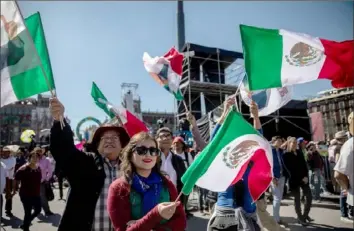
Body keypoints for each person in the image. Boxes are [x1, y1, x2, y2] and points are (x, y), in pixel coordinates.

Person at [49, 97, 130, 231]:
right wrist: (59, 121)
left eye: (115, 137)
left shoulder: (130, 169)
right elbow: (63, 149)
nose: (109, 140)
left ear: (122, 145)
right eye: (104, 138)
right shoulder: (86, 162)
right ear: (97, 146)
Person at [107, 132, 187, 230]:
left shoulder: (167, 183)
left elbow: (181, 221)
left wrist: (143, 225)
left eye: (153, 150)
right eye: (141, 150)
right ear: (130, 154)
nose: (148, 154)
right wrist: (156, 214)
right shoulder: (118, 187)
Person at [155, 127, 187, 216]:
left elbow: (183, 182)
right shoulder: (150, 158)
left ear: (172, 139)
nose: (165, 138)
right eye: (162, 136)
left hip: (174, 200)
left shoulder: (178, 160)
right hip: (154, 201)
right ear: (156, 139)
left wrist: (182, 203)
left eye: (168, 136)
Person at [283, 137, 312, 226]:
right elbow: (290, 170)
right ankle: (300, 217)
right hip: (294, 180)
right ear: (289, 143)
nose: (295, 144)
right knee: (297, 200)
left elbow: (304, 165)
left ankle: (305, 215)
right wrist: (301, 178)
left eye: (296, 142)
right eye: (293, 143)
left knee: (309, 197)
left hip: (304, 179)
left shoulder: (299, 152)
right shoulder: (286, 155)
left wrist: (306, 177)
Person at [15, 150, 42, 231]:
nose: (35, 159)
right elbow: (16, 177)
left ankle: (25, 223)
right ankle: (26, 228)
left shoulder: (38, 168)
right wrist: (20, 169)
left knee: (38, 210)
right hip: (26, 194)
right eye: (33, 157)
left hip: (36, 194)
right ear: (29, 158)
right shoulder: (24, 168)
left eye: (36, 157)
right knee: (28, 212)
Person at [334, 112, 353, 223]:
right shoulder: (340, 147)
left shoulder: (346, 145)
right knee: (344, 194)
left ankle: (346, 212)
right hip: (345, 174)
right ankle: (344, 213)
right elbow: (338, 165)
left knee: (345, 194)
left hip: (345, 173)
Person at [270, 136, 290, 226]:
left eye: (281, 141)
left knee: (279, 198)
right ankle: (276, 219)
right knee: (277, 199)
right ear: (274, 141)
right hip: (275, 178)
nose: (280, 143)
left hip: (282, 176)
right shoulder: (270, 150)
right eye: (279, 141)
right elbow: (268, 165)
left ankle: (277, 217)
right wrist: (272, 177)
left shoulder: (280, 151)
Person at [34, 146, 54, 216]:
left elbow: (50, 171)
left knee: (42, 197)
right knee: (34, 196)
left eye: (39, 152)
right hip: (33, 182)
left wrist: (47, 179)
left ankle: (47, 211)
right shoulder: (33, 160)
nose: (38, 154)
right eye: (36, 152)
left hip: (42, 181)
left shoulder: (46, 160)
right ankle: (36, 209)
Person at [0, 146, 16, 217]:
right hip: (2, 178)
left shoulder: (12, 159)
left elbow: (8, 167)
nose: (5, 153)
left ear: (9, 152)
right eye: (4, 151)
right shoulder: (1, 159)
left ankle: (8, 210)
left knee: (9, 195)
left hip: (9, 178)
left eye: (7, 152)